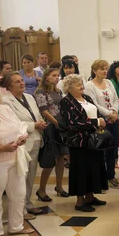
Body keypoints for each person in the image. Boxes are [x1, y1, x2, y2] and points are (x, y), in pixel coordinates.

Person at [0, 83, 34, 236]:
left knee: (19, 194)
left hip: (15, 158)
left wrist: (22, 136)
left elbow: (19, 125)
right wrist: (1, 147)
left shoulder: (5, 109)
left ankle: (16, 226)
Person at [0, 73, 47, 218]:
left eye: (22, 80)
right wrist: (34, 125)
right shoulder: (6, 102)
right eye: (17, 82)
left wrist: (40, 122)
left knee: (31, 175)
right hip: (21, 142)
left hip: (36, 138)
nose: (22, 83)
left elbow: (36, 115)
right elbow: (13, 123)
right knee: (21, 176)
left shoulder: (29, 97)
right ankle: (20, 210)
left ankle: (27, 203)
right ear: (9, 86)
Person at [60, 74, 108, 212]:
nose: (81, 86)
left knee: (93, 168)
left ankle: (90, 196)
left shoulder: (86, 98)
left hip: (94, 139)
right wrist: (96, 122)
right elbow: (72, 123)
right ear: (69, 88)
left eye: (81, 83)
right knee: (81, 170)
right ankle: (80, 201)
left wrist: (101, 120)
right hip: (79, 142)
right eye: (77, 85)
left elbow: (96, 112)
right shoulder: (66, 102)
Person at [34, 68, 70, 200]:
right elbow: (43, 110)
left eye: (57, 76)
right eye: (54, 75)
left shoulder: (58, 91)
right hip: (50, 126)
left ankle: (59, 186)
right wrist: (56, 123)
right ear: (46, 77)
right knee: (50, 160)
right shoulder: (40, 91)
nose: (57, 78)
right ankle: (41, 189)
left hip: (60, 126)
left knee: (61, 157)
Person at [85, 60, 119, 189]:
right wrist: (108, 114)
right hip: (100, 121)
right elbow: (93, 103)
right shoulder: (89, 85)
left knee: (112, 149)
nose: (105, 71)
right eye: (101, 69)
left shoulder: (109, 82)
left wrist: (115, 112)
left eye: (106, 68)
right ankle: (100, 178)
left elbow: (116, 99)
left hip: (113, 119)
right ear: (95, 70)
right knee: (100, 149)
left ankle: (110, 175)